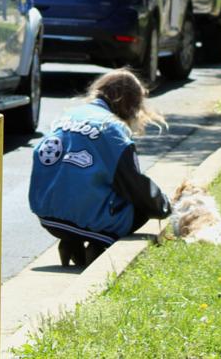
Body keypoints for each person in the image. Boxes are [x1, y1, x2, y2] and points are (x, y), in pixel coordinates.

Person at [29, 69, 171, 267]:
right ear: (131, 105)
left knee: (80, 178)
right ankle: (97, 244)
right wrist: (163, 206)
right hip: (90, 219)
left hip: (47, 216)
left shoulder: (66, 117)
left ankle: (71, 241)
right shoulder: (113, 129)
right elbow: (133, 184)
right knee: (139, 208)